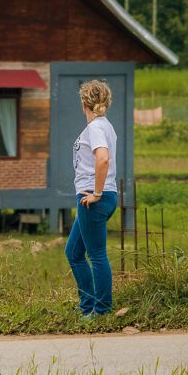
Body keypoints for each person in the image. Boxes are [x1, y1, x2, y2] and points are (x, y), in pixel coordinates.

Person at [65, 79, 119, 316]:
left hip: (94, 197)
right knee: (74, 253)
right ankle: (87, 308)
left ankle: (101, 310)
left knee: (96, 254)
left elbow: (103, 158)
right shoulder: (104, 126)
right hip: (96, 196)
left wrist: (96, 193)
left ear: (84, 102)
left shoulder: (96, 127)